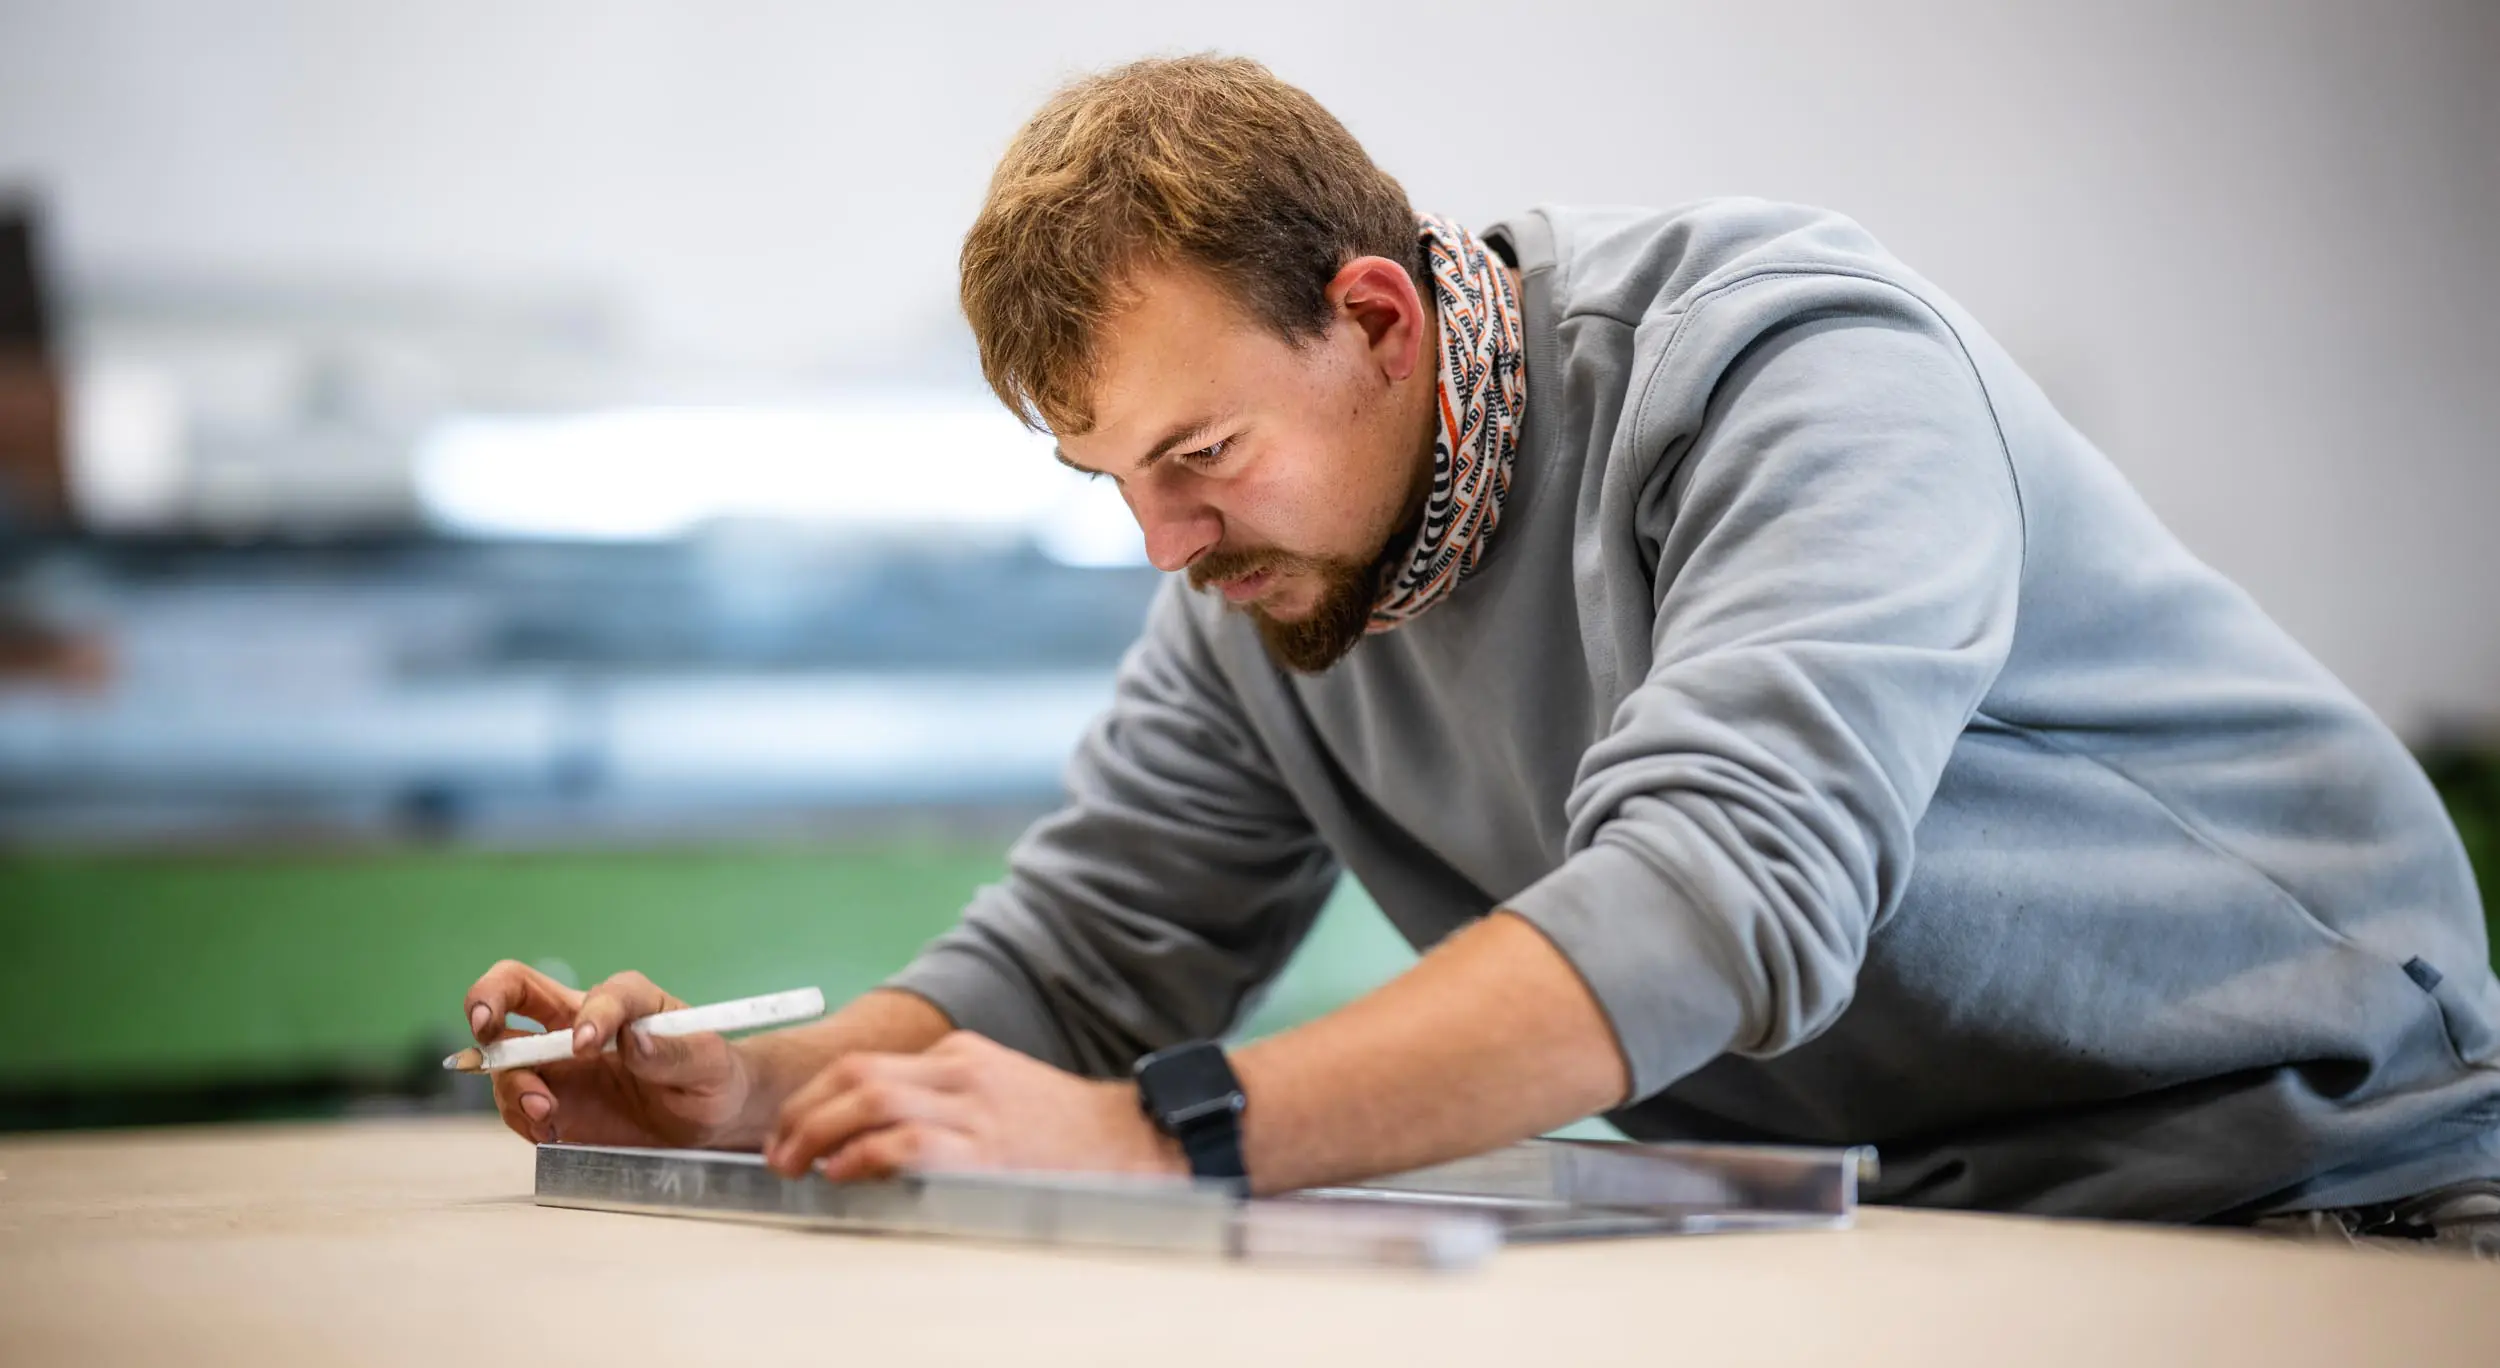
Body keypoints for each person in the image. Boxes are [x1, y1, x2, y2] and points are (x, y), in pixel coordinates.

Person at [462, 55, 2500, 1245]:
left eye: (1195, 459)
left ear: (1373, 317)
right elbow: (1078, 965)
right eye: (1107, 484)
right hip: (1929, 1228)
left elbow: (1717, 901)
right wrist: (753, 1098)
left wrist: (1153, 1134)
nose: (1162, 545)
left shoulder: (1789, 374)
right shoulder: (1274, 584)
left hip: (2335, 1187)